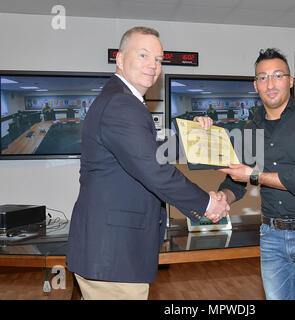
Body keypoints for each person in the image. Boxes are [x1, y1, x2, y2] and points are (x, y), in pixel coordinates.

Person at [66, 26, 229, 300]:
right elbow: (153, 169)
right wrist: (207, 203)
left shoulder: (122, 100)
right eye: (143, 55)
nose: (153, 65)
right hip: (113, 255)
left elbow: (148, 154)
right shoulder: (121, 104)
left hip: (111, 254)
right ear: (119, 58)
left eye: (158, 59)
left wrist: (192, 137)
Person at [216, 48, 295, 300]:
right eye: (263, 77)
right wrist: (221, 199)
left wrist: (255, 175)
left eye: (278, 75)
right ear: (255, 85)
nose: (270, 83)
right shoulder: (251, 127)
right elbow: (237, 180)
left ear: (290, 82)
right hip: (271, 236)